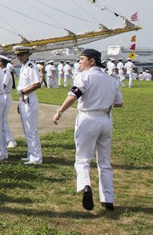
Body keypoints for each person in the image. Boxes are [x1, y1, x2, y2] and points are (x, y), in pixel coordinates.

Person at [52, 48, 123, 211]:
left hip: (88, 118)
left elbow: (73, 96)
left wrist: (60, 111)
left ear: (92, 61)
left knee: (83, 159)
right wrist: (103, 100)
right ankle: (108, 198)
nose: (79, 62)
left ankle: (85, 186)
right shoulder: (110, 79)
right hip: (105, 119)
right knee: (104, 161)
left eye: (82, 59)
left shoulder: (84, 76)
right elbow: (119, 103)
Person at [14, 45, 43, 165]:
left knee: (31, 130)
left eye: (21, 55)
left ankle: (36, 158)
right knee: (27, 129)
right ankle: (31, 154)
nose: (19, 57)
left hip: (29, 99)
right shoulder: (23, 67)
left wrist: (24, 92)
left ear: (27, 54)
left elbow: (37, 84)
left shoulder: (31, 67)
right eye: (17, 55)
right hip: (23, 99)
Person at [0, 55, 17, 149]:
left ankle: (11, 140)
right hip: (3, 96)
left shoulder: (6, 73)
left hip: (5, 96)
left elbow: (3, 86)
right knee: (1, 120)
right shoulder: (3, 72)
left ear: (1, 62)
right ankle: (5, 139)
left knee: (3, 120)